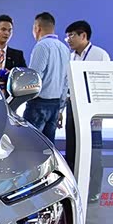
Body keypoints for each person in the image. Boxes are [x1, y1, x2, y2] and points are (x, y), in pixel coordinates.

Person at [63, 20, 111, 201]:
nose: (68, 39)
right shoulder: (71, 56)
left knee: (93, 152)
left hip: (92, 110)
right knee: (72, 148)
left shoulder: (100, 55)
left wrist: (100, 113)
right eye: (67, 36)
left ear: (83, 35)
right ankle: (74, 187)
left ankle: (94, 190)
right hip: (72, 106)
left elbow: (106, 84)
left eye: (71, 35)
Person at [24, 12, 69, 141]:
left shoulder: (41, 46)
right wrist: (61, 108)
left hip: (38, 104)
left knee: (31, 144)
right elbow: (66, 81)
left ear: (37, 28)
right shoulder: (64, 48)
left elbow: (34, 77)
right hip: (55, 105)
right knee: (48, 146)